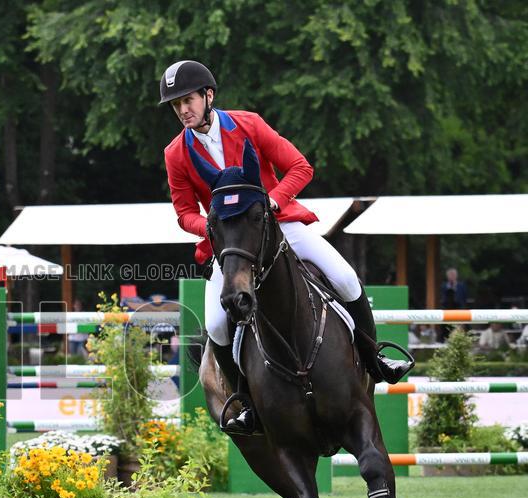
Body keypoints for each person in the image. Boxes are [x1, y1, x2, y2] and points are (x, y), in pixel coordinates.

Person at [160, 60, 412, 433]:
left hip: (280, 224)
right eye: (176, 104)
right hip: (230, 245)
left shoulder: (248, 124)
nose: (183, 110)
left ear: (208, 96)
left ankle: (375, 359)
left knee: (345, 278)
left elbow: (300, 167)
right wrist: (214, 229)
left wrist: (274, 202)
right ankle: (246, 401)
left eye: (188, 100)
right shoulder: (175, 153)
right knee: (215, 323)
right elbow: (183, 213)